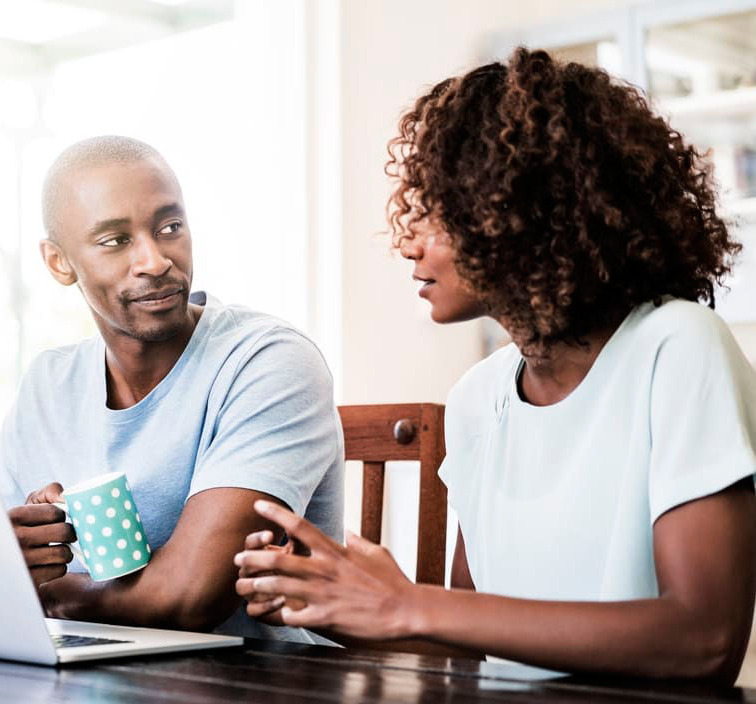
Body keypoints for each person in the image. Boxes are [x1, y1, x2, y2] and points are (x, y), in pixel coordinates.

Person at [235, 48, 756, 683]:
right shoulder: (479, 399)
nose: (407, 242)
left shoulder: (677, 348)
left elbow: (705, 640)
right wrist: (337, 605)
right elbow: (468, 651)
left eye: (437, 213)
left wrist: (408, 604)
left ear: (523, 213)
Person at [0, 135, 343, 641]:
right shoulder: (48, 385)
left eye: (170, 227)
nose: (155, 261)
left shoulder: (270, 361)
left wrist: (52, 594)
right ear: (58, 262)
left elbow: (190, 595)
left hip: (260, 682)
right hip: (100, 676)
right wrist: (22, 556)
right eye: (115, 240)